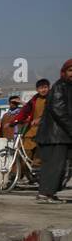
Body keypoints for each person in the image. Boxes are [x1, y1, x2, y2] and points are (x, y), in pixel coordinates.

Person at [34, 59, 72, 204]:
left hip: (63, 135)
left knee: (61, 166)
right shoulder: (59, 87)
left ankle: (50, 193)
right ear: (64, 72)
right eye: (70, 70)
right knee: (54, 165)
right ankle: (45, 194)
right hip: (55, 135)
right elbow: (59, 111)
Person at [13, 79, 50, 174]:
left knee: (40, 152)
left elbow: (52, 112)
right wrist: (13, 121)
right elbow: (24, 112)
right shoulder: (34, 100)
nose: (43, 90)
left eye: (45, 87)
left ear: (49, 88)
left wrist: (41, 119)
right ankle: (19, 174)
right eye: (41, 88)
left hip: (47, 130)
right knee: (25, 152)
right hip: (32, 130)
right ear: (37, 89)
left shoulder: (52, 98)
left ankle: (38, 171)